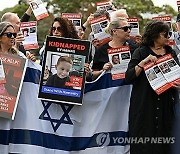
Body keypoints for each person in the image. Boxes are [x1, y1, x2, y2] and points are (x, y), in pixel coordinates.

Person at [125, 20, 180, 154]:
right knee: (144, 141)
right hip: (145, 104)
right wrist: (143, 63)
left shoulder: (170, 52)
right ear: (155, 35)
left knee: (165, 142)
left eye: (169, 34)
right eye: (165, 34)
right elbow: (129, 76)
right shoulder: (141, 52)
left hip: (166, 104)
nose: (168, 37)